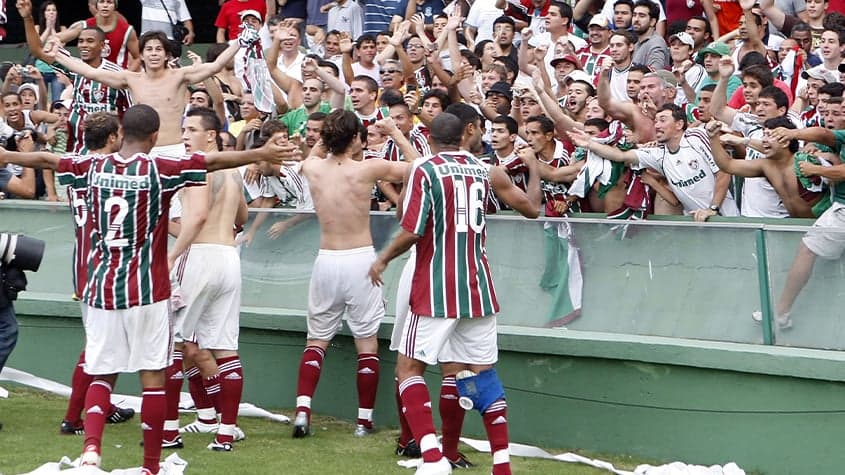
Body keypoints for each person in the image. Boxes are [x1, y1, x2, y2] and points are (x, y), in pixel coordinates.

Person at [0, 104, 296, 474]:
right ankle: (152, 465)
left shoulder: (92, 167)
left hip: (103, 289)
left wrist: (8, 154)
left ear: (121, 132)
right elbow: (213, 163)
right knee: (153, 377)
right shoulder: (159, 170)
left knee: (102, 371)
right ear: (155, 137)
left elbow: (48, 157)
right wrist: (260, 153)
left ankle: (92, 450)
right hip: (149, 291)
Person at [367, 111, 542, 475]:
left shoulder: (424, 170)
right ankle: (502, 464)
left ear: (430, 138)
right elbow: (532, 209)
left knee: (408, 367)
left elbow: (411, 228)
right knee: (482, 373)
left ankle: (432, 458)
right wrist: (535, 168)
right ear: (465, 135)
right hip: (478, 285)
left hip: (434, 284)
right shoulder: (487, 170)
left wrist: (382, 258)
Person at [289, 110, 411, 438]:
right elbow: (418, 167)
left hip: (327, 259)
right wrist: (395, 133)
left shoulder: (312, 167)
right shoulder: (368, 168)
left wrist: (325, 142)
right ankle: (364, 420)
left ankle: (303, 410)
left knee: (316, 340)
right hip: (360, 259)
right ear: (356, 138)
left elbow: (313, 156)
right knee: (366, 342)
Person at [166, 107, 250, 452]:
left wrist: (173, 256)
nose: (184, 135)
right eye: (183, 129)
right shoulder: (233, 170)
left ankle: (169, 431)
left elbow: (196, 218)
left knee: (172, 344)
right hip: (228, 258)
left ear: (211, 135)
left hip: (198, 256)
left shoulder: (196, 167)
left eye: (191, 129)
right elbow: (242, 215)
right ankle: (225, 432)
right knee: (225, 348)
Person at [41, 27, 260, 154]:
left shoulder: (180, 75)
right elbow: (91, 73)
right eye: (149, 49)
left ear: (166, 55)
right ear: (142, 55)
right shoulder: (131, 79)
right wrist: (59, 55)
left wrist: (239, 42)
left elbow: (214, 66)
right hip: (144, 153)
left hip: (176, 150)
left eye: (158, 49)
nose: (154, 53)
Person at [59, 112, 135, 437]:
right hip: (103, 264)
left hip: (82, 261)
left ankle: (99, 404)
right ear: (113, 138)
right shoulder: (106, 170)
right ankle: (74, 417)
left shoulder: (73, 166)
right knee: (100, 344)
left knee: (103, 341)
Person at [570, 104, 737, 220]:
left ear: (679, 124)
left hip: (725, 219)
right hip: (696, 222)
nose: (657, 125)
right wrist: (591, 143)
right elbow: (620, 157)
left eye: (663, 120)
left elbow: (723, 173)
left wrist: (712, 209)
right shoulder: (657, 154)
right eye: (655, 121)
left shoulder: (696, 137)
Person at [18, 0, 131, 155]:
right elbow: (38, 50)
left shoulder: (117, 75)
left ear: (102, 46)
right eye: (81, 41)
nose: (83, 45)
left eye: (90, 41)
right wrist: (27, 18)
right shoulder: (73, 67)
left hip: (112, 153)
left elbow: (129, 115)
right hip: (79, 151)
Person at [55, 0, 139, 70]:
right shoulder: (85, 25)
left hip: (115, 78)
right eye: (102, 2)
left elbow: (137, 57)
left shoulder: (127, 30)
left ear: (115, 6)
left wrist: (127, 75)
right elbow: (57, 38)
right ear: (96, 5)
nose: (105, 5)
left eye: (109, 2)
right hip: (89, 76)